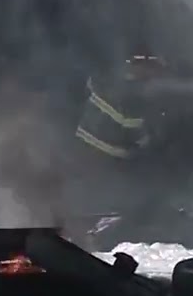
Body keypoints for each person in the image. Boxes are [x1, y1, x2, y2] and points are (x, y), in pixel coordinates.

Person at [69, 53, 169, 214]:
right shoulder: (132, 100)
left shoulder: (109, 82)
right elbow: (138, 141)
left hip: (84, 158)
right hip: (106, 166)